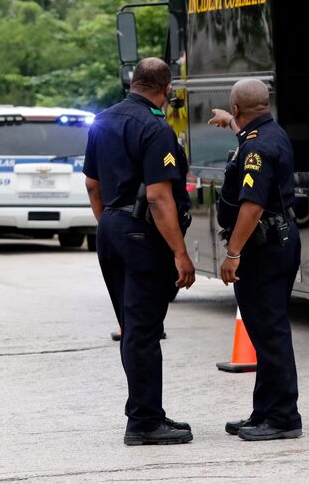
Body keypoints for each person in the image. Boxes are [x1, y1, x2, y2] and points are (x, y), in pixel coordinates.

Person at [83, 57, 195, 446]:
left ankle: (145, 412)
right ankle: (145, 422)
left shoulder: (103, 121)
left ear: (133, 82)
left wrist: (110, 225)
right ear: (165, 90)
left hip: (110, 230)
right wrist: (180, 253)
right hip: (141, 235)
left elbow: (92, 185)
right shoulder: (155, 127)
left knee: (133, 328)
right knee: (144, 331)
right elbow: (159, 197)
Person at [208, 78, 302, 441]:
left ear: (237, 108)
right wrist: (231, 124)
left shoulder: (257, 148)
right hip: (278, 240)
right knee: (264, 330)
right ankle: (264, 410)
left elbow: (252, 206)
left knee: (270, 330)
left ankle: (283, 417)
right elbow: (248, 143)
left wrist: (233, 253)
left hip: (263, 247)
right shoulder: (269, 133)